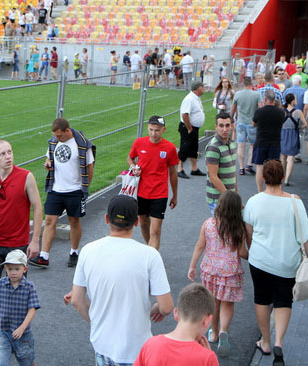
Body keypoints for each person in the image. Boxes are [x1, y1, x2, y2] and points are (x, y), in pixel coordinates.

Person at [69, 195, 174, 365]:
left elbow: (76, 300)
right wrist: (156, 308)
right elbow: (167, 307)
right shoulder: (150, 255)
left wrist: (98, 321)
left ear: (106, 219)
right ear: (136, 222)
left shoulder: (88, 251)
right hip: (138, 349)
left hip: (103, 344)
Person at [243, 159, 308, 366]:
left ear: (263, 178)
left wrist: (253, 251)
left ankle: (265, 342)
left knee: (262, 299)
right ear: (283, 177)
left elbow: (248, 233)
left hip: (260, 261)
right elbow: (306, 237)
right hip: (287, 263)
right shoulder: (295, 202)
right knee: (284, 300)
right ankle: (279, 342)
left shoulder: (253, 201)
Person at [0, 140, 42, 340]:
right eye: (3, 154)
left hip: (17, 245)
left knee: (19, 290)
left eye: (10, 152)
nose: (8, 156)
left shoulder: (26, 177)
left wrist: (35, 240)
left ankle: (18, 330)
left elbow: (38, 207)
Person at [188, 191, 248, 357]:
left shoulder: (208, 224)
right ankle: (224, 331)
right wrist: (253, 257)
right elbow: (242, 252)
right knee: (227, 304)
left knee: (212, 304)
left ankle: (213, 333)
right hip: (230, 272)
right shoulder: (240, 227)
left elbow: (200, 246)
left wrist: (192, 266)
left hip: (210, 270)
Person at [29, 118, 95, 268]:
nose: (57, 139)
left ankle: (74, 252)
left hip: (74, 190)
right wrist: (48, 163)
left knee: (74, 221)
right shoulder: (54, 142)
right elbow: (49, 157)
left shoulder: (82, 144)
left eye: (60, 136)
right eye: (55, 136)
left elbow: (90, 167)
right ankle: (44, 256)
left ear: (67, 131)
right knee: (50, 221)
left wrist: (85, 187)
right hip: (56, 189)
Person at [134, 284, 219, 366]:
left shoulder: (150, 344)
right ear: (207, 320)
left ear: (176, 313)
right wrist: (208, 354)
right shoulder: (207, 358)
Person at [127, 115, 178, 250]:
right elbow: (130, 158)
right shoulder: (139, 143)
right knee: (144, 223)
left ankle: (151, 258)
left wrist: (175, 195)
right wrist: (133, 167)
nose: (153, 133)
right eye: (151, 130)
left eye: (157, 130)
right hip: (141, 192)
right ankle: (151, 251)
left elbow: (173, 172)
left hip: (160, 193)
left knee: (155, 230)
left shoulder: (170, 148)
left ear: (163, 130)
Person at [0, 250, 40, 366]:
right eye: (10, 269)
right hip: (4, 332)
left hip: (23, 334)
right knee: (1, 362)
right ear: (5, 268)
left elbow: (32, 309)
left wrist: (22, 328)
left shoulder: (29, 287)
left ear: (25, 269)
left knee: (27, 362)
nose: (13, 272)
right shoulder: (0, 284)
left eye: (17, 269)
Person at [251, 89, 286, 192]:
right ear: (274, 100)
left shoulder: (259, 111)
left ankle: (259, 190)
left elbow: (253, 123)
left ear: (265, 99)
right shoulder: (280, 112)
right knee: (274, 168)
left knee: (259, 167)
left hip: (261, 141)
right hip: (275, 142)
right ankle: (272, 189)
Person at [204, 113, 237, 215]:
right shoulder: (213, 147)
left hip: (229, 198)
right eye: (221, 126)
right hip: (219, 199)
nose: (224, 129)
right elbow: (213, 177)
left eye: (227, 125)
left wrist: (236, 197)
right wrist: (229, 198)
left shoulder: (231, 143)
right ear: (216, 127)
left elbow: (233, 173)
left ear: (232, 125)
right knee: (222, 230)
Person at [231, 77, 263, 176]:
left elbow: (233, 109)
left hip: (240, 122)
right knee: (253, 145)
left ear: (243, 84)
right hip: (252, 123)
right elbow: (261, 108)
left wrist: (231, 118)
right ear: (251, 84)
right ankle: (249, 164)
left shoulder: (237, 94)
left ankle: (241, 167)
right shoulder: (257, 94)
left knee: (241, 145)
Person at [178, 81, 207, 179]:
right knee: (185, 147)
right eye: (203, 87)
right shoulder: (189, 99)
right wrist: (189, 128)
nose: (204, 89)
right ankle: (180, 169)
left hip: (193, 128)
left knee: (193, 148)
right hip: (188, 127)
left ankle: (194, 169)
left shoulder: (196, 98)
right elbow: (185, 114)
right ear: (198, 88)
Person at [281, 94, 307, 186]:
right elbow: (305, 124)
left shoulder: (281, 111)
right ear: (292, 101)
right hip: (293, 134)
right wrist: (299, 127)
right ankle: (287, 178)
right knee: (291, 157)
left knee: (283, 156)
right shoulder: (298, 112)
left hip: (283, 134)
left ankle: (283, 175)